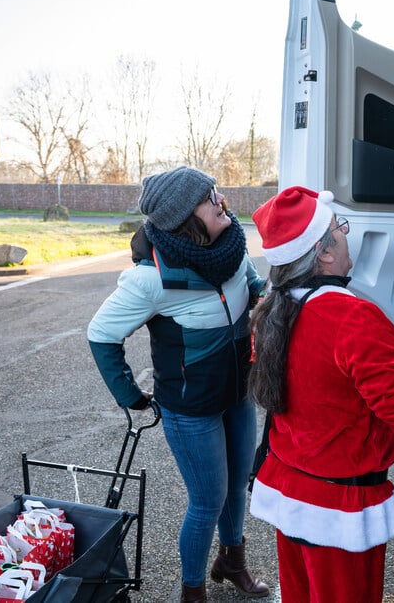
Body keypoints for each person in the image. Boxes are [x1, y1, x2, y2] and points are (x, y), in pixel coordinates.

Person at [247, 186, 394, 601]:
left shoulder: (271, 310)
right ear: (324, 253)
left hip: (290, 488)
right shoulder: (351, 317)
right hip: (337, 507)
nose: (346, 234)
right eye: (337, 227)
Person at [87, 166, 270, 603]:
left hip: (238, 396)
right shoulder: (150, 278)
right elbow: (101, 334)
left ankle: (232, 562)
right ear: (186, 216)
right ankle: (192, 592)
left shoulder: (231, 247)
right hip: (190, 411)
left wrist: (265, 296)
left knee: (237, 484)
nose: (222, 200)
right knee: (208, 501)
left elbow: (251, 284)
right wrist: (130, 395)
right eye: (211, 197)